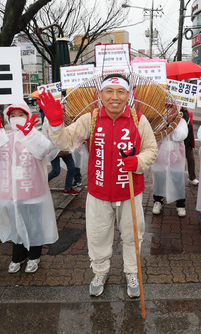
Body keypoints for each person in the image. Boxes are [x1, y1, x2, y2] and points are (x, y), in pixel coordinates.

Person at [39, 73, 158, 298]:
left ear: (128, 95)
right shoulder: (90, 119)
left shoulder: (138, 119)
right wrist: (55, 124)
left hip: (130, 191)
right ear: (100, 94)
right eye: (109, 91)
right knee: (97, 235)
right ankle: (100, 271)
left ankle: (132, 272)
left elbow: (151, 149)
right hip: (98, 191)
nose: (115, 97)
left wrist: (138, 162)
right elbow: (65, 142)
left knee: (133, 235)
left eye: (121, 91)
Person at [0, 101, 58, 274]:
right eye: (12, 115)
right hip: (10, 192)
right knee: (16, 225)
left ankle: (34, 257)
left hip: (32, 191)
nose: (16, 118)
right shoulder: (4, 136)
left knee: (34, 225)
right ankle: (18, 256)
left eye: (20, 115)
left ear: (27, 116)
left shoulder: (35, 134)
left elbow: (45, 150)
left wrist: (29, 133)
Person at [151, 117, 188, 217]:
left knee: (177, 180)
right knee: (159, 178)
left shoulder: (181, 121)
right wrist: (163, 125)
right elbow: (154, 134)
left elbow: (181, 136)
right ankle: (158, 201)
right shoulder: (158, 119)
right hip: (160, 156)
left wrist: (173, 126)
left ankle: (180, 204)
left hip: (176, 157)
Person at [43, 120, 78, 195]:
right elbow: (47, 137)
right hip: (53, 150)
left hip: (64, 147)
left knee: (71, 167)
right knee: (56, 171)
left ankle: (67, 188)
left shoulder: (63, 117)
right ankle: (42, 184)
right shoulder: (47, 121)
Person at [180, 107, 198, 186]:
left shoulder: (189, 113)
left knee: (191, 159)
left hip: (188, 141)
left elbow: (191, 126)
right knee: (177, 162)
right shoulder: (176, 113)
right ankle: (176, 178)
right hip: (179, 142)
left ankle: (192, 177)